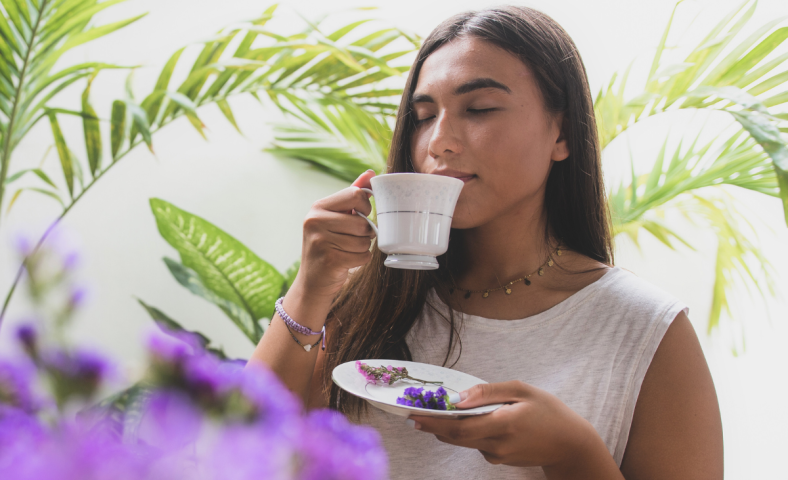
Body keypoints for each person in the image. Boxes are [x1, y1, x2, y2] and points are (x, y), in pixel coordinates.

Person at [249, 6, 723, 479]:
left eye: (479, 109)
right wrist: (309, 290)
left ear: (561, 134)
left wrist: (573, 453)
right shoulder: (362, 306)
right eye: (423, 116)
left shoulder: (643, 331)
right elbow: (235, 448)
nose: (439, 141)